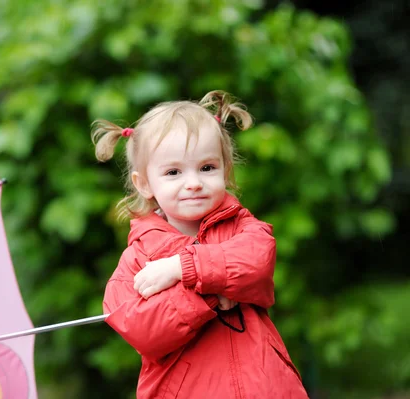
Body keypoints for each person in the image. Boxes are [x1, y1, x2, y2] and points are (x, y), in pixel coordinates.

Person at [92, 91, 309, 399]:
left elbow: (257, 264)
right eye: (173, 172)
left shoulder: (243, 227)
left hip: (266, 387)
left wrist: (183, 267)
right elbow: (142, 329)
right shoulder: (138, 256)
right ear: (145, 184)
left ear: (225, 170)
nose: (193, 182)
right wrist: (208, 294)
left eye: (207, 167)